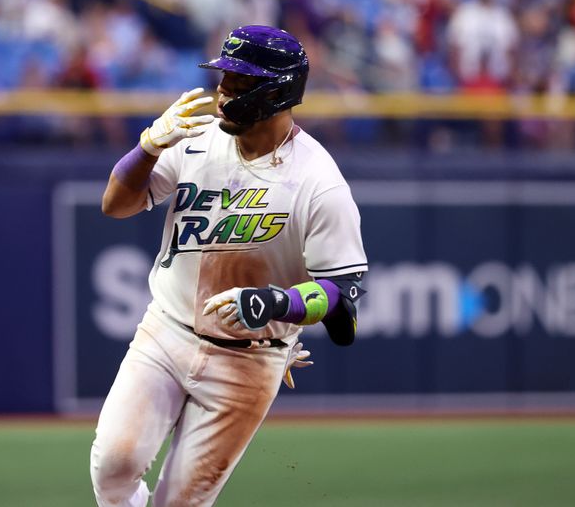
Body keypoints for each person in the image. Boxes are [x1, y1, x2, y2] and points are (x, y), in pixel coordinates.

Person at [91, 25, 368, 506]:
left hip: (248, 359)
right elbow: (115, 204)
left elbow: (343, 298)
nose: (222, 94)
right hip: (166, 330)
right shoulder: (193, 137)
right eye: (224, 79)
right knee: (113, 468)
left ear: (277, 94)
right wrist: (148, 147)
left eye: (240, 85)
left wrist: (279, 303)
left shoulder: (318, 181)